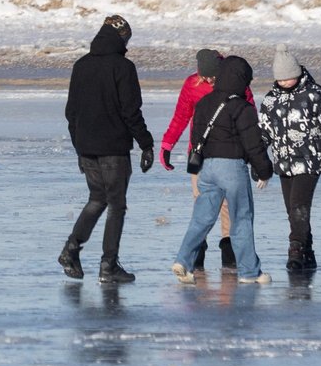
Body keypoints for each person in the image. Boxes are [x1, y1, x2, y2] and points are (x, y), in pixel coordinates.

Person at [60, 15, 155, 284]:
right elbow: (130, 111)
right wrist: (145, 143)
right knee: (116, 205)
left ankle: (71, 250)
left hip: (87, 147)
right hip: (113, 149)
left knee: (97, 199)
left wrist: (79, 147)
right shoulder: (123, 67)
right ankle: (108, 265)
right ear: (120, 37)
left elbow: (71, 113)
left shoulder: (81, 66)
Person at [171, 56, 273, 284]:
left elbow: (196, 137)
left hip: (206, 168)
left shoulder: (205, 103)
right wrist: (264, 170)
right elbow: (253, 144)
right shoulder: (242, 107)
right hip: (232, 168)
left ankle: (183, 261)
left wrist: (194, 167)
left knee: (201, 219)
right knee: (241, 218)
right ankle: (249, 272)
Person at [160, 48, 254, 271]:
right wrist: (167, 144)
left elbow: (250, 115)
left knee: (228, 204)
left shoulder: (236, 83)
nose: (210, 81)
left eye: (213, 77)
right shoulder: (192, 84)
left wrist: (252, 148)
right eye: (205, 77)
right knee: (202, 199)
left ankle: (228, 249)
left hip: (231, 151)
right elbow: (181, 116)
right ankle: (196, 249)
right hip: (201, 152)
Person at [258, 46, 321, 271]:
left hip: (310, 160)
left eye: (290, 77)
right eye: (281, 79)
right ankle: (307, 251)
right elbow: (263, 132)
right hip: (283, 162)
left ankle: (295, 249)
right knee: (293, 210)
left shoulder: (315, 94)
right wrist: (259, 160)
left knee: (299, 206)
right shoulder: (270, 100)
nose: (286, 82)